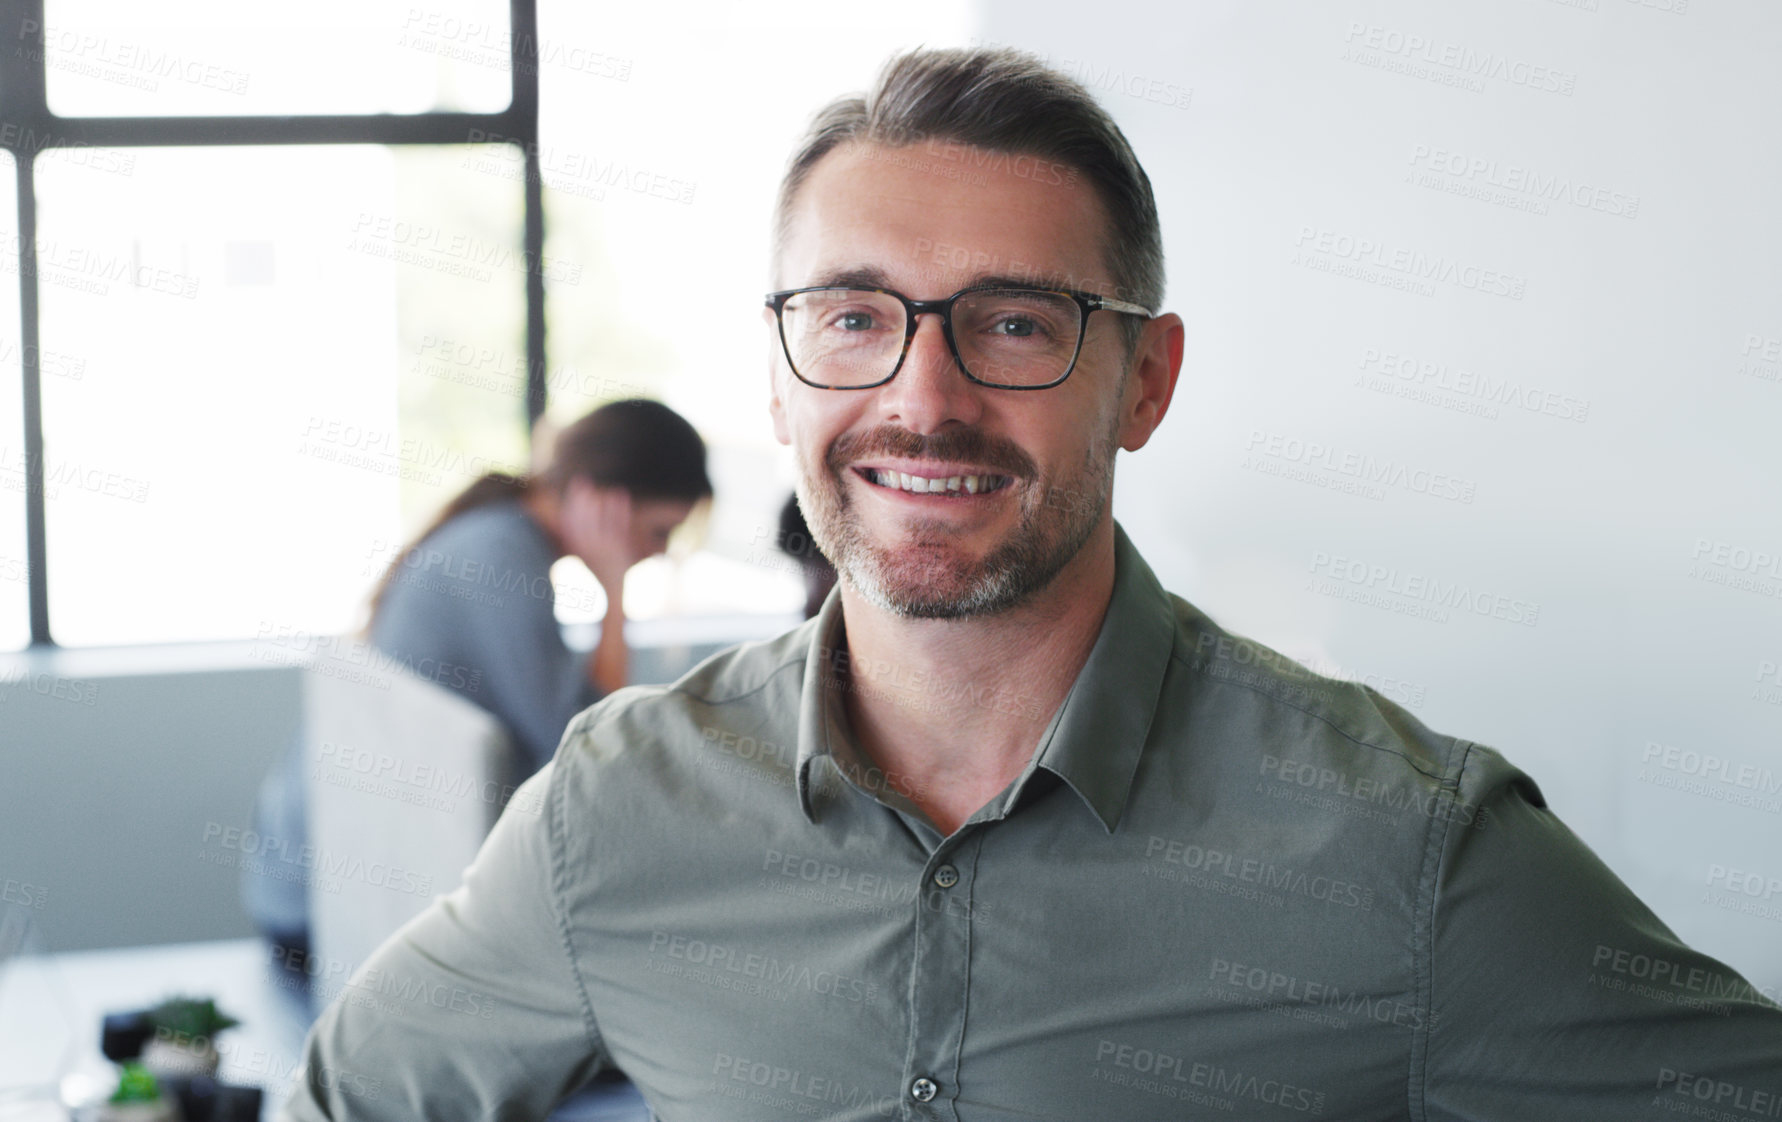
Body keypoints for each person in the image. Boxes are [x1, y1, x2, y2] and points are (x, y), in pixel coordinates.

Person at [283, 48, 1782, 1120]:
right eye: (854, 316)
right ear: (781, 375)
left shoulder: (1405, 849)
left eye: (1012, 323)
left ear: (1144, 378)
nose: (921, 397)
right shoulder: (616, 810)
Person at [244, 398, 709, 988]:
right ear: (601, 499)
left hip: (319, 893)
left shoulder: (503, 538)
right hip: (316, 910)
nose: (659, 552)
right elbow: (581, 751)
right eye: (658, 531)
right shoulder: (499, 555)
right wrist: (615, 589)